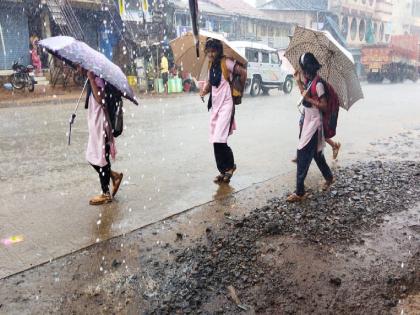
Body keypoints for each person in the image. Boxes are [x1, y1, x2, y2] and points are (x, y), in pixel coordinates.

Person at [287, 53, 334, 202]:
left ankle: (300, 192)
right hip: (308, 120)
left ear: (310, 68)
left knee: (302, 154)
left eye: (304, 68)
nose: (303, 71)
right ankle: (329, 177)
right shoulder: (309, 80)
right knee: (316, 154)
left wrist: (309, 100)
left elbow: (324, 106)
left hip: (314, 123)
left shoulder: (319, 84)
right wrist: (298, 81)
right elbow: (304, 93)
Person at [199, 38, 247, 184]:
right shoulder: (210, 65)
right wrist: (203, 92)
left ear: (219, 51)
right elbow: (210, 84)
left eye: (213, 51)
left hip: (226, 105)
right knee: (215, 139)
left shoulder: (226, 62)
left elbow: (243, 72)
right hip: (215, 106)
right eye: (208, 52)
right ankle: (223, 170)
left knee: (220, 137)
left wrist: (238, 89)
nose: (211, 54)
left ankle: (231, 166)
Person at [81, 66, 123, 205]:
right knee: (95, 156)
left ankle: (106, 193)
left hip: (102, 124)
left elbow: (100, 98)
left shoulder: (97, 78)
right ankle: (113, 176)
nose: (77, 69)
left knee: (99, 157)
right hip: (96, 123)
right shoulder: (91, 78)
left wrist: (92, 79)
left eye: (78, 66)